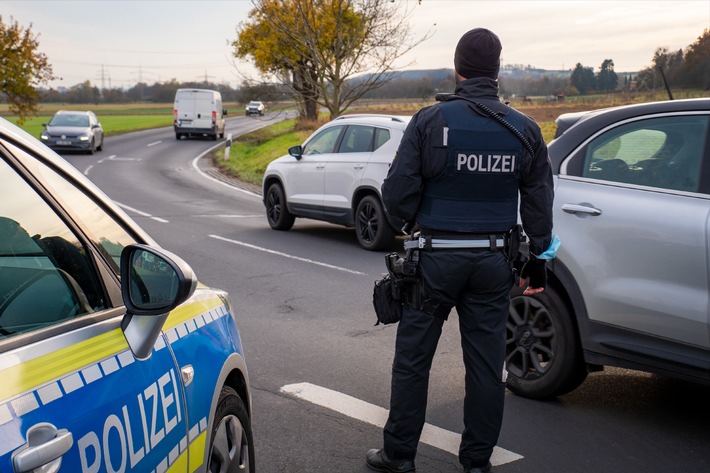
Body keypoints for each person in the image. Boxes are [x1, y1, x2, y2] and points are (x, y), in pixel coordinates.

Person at [366, 28, 555, 473]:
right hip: (493, 263)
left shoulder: (430, 122)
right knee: (487, 367)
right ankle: (475, 463)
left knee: (413, 362)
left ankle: (399, 456)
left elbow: (396, 194)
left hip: (433, 261)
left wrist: (413, 223)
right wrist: (540, 258)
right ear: (497, 70)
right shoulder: (524, 129)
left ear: (458, 70)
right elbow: (539, 201)